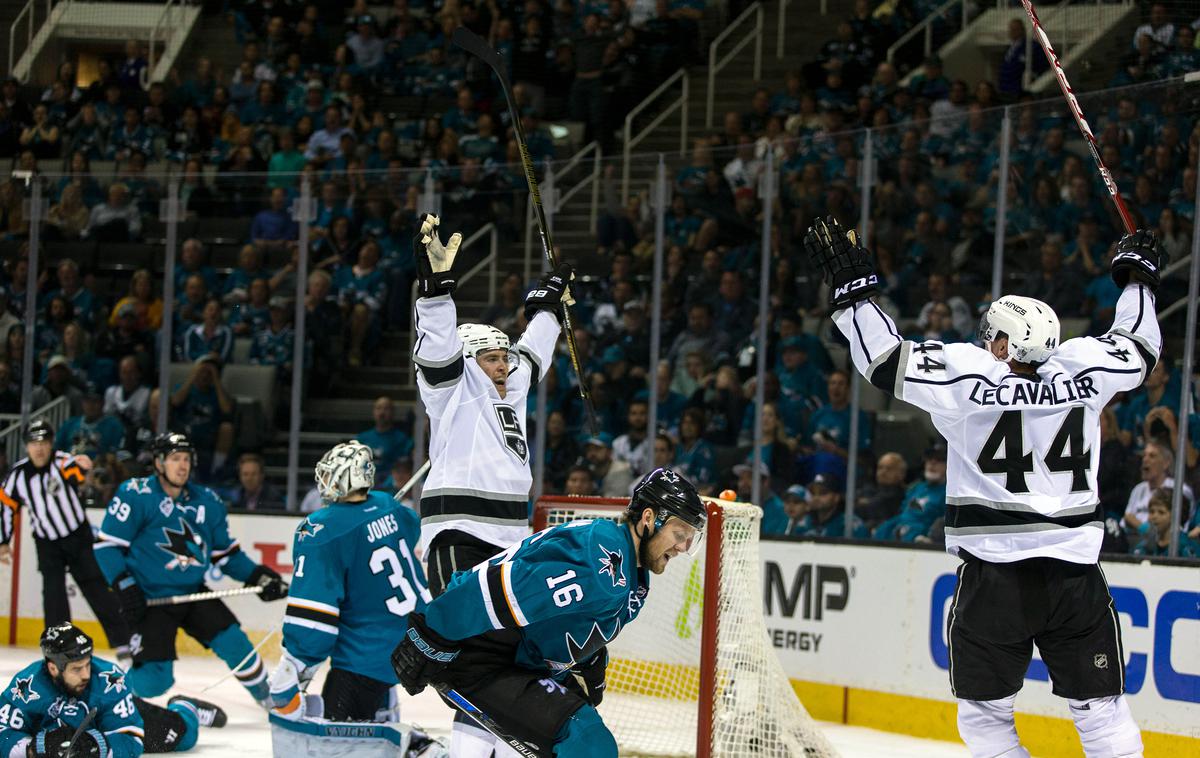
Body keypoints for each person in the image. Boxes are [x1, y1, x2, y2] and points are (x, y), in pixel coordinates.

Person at [806, 216, 1161, 757]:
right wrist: (1138, 281)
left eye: (991, 332)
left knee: (986, 721)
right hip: (1074, 577)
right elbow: (1138, 345)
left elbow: (883, 359)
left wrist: (853, 296)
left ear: (1002, 344)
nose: (984, 339)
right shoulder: (1085, 369)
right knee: (1103, 715)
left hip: (996, 578)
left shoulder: (968, 375)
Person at [391, 467, 707, 758]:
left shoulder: (634, 577)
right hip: (483, 653)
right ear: (649, 518)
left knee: (590, 739)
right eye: (680, 534)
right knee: (589, 745)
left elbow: (567, 618)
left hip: (524, 661)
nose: (683, 546)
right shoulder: (599, 557)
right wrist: (431, 632)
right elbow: (501, 590)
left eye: (690, 538)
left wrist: (593, 659)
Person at [409, 213, 569, 756]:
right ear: (470, 359)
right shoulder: (453, 388)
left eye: (503, 356)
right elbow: (436, 348)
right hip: (460, 536)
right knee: (474, 656)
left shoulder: (509, 385)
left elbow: (535, 351)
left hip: (511, 542)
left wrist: (548, 305)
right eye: (490, 356)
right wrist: (436, 292)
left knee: (504, 657)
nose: (502, 364)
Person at [93, 433, 289, 706]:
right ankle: (112, 698)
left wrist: (258, 575)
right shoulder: (136, 494)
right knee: (154, 682)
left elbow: (226, 555)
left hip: (191, 592)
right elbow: (106, 548)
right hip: (150, 599)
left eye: (186, 459)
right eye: (175, 459)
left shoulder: (207, 501)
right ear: (159, 463)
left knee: (234, 642)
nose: (182, 466)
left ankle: (270, 699)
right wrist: (125, 586)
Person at [268, 441, 433, 725]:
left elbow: (314, 616)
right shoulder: (387, 504)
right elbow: (410, 524)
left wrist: (296, 664)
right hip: (419, 636)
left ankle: (416, 746)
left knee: (340, 737)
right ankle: (384, 704)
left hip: (366, 654)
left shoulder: (322, 529)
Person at [0, 420, 130, 658]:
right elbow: (6, 507)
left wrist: (84, 468)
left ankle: (124, 641)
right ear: (26, 446)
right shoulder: (17, 476)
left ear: (51, 444)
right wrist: (3, 541)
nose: (39, 449)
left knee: (96, 587)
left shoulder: (62, 462)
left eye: (44, 443)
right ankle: (61, 648)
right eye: (33, 443)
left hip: (77, 537)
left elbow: (77, 472)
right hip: (47, 542)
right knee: (54, 595)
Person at [0, 623, 227, 758]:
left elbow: (132, 739)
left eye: (88, 664)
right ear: (53, 668)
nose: (86, 674)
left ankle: (186, 707)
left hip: (113, 716)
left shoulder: (109, 680)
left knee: (182, 736)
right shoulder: (27, 687)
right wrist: (33, 748)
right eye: (77, 669)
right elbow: (2, 733)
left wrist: (96, 747)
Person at [355, 395, 413, 483]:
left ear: (393, 412)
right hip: (364, 483)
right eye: (378, 408)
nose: (382, 412)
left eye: (386, 409)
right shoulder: (361, 438)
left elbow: (405, 467)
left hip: (391, 486)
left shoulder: (402, 439)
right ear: (373, 412)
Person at [1132, 487, 1200, 558]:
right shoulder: (1143, 547)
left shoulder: (1186, 547)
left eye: (1161, 512)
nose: (1154, 516)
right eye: (1151, 512)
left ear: (1175, 516)